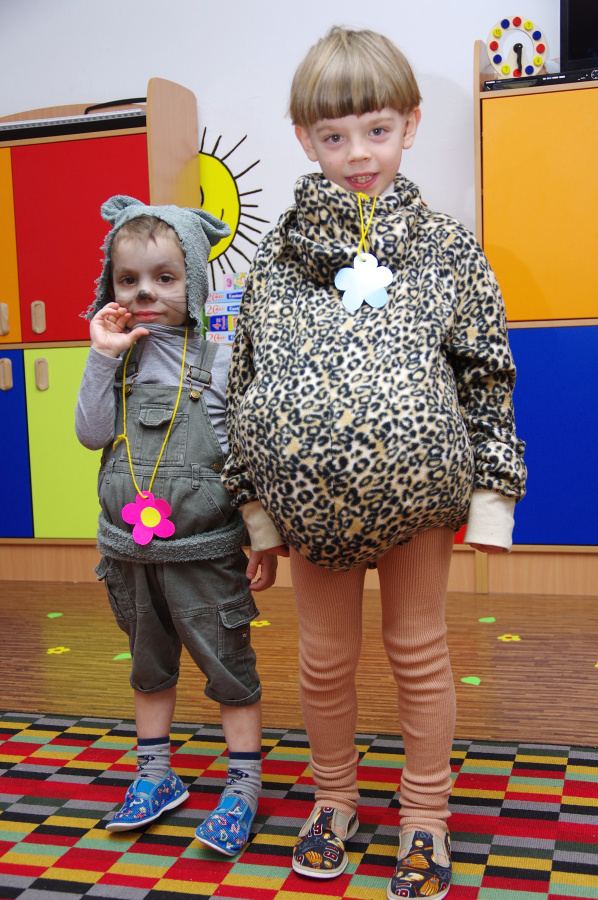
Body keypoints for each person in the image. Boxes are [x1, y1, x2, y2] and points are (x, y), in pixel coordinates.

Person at [222, 26, 526, 900]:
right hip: (309, 506)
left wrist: (493, 499)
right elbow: (245, 385)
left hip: (420, 498)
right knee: (323, 661)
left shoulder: (448, 249)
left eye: (377, 130)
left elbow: (486, 374)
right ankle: (334, 800)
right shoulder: (276, 263)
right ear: (304, 138)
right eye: (334, 135)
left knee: (418, 653)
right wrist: (257, 517)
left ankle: (425, 814)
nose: (358, 153)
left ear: (411, 125)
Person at [76, 195, 280, 855]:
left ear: (194, 278)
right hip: (130, 557)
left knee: (229, 668)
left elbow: (245, 457)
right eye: (127, 279)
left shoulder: (219, 360)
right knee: (148, 667)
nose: (144, 293)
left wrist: (261, 537)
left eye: (165, 277)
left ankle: (243, 785)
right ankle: (155, 774)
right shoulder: (116, 358)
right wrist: (101, 357)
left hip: (204, 554)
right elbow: (90, 434)